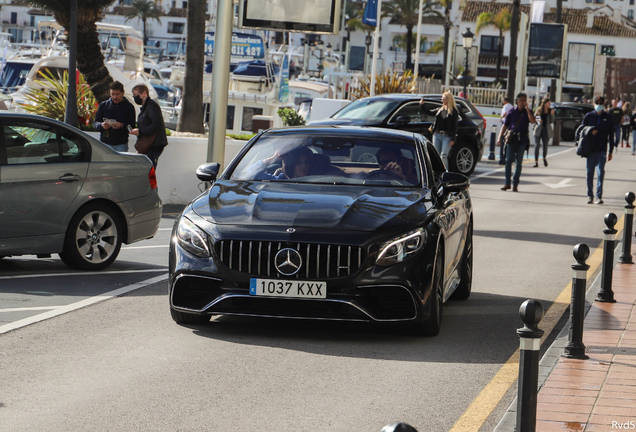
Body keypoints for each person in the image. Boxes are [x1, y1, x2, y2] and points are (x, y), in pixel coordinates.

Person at [497, 92, 536, 192]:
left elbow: (532, 121)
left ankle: (515, 184)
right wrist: (499, 137)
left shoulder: (528, 111)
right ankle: (507, 183)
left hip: (522, 139)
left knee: (519, 163)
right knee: (508, 160)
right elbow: (505, 125)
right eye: (521, 100)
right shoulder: (511, 111)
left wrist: (527, 110)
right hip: (511, 139)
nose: (523, 102)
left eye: (524, 100)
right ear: (517, 101)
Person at [581, 96, 615, 204]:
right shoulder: (589, 116)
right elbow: (581, 129)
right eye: (597, 103)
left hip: (602, 150)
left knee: (601, 173)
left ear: (604, 104)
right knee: (589, 173)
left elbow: (611, 134)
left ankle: (598, 196)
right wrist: (590, 131)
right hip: (590, 150)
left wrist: (610, 151)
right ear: (594, 104)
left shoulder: (608, 117)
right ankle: (589, 195)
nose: (599, 104)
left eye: (600, 103)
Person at [130, 84, 167, 169]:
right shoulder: (146, 107)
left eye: (136, 94)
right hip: (149, 145)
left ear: (144, 93)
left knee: (149, 169)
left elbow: (156, 125)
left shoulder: (151, 106)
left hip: (153, 145)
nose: (135, 97)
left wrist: (140, 131)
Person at [93, 81, 136, 152]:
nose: (114, 97)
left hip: (121, 144)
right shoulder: (104, 105)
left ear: (123, 92)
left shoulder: (129, 107)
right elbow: (95, 123)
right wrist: (101, 125)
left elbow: (131, 126)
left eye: (117, 94)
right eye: (112, 94)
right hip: (105, 143)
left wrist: (121, 125)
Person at [420, 91, 459, 168]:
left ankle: (445, 173)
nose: (442, 100)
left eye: (443, 99)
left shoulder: (453, 112)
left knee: (444, 155)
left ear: (448, 99)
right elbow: (429, 112)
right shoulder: (440, 110)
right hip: (436, 135)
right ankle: (435, 172)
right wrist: (422, 105)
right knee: (435, 155)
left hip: (446, 136)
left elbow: (455, 126)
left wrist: (453, 139)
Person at [533, 97, 554, 168]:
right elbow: (534, 118)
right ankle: (536, 161)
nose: (549, 105)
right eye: (548, 103)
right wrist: (538, 120)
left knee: (545, 146)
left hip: (546, 130)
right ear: (544, 104)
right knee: (537, 146)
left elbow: (552, 121)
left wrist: (552, 115)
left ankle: (544, 158)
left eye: (550, 103)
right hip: (538, 129)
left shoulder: (550, 110)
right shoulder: (539, 110)